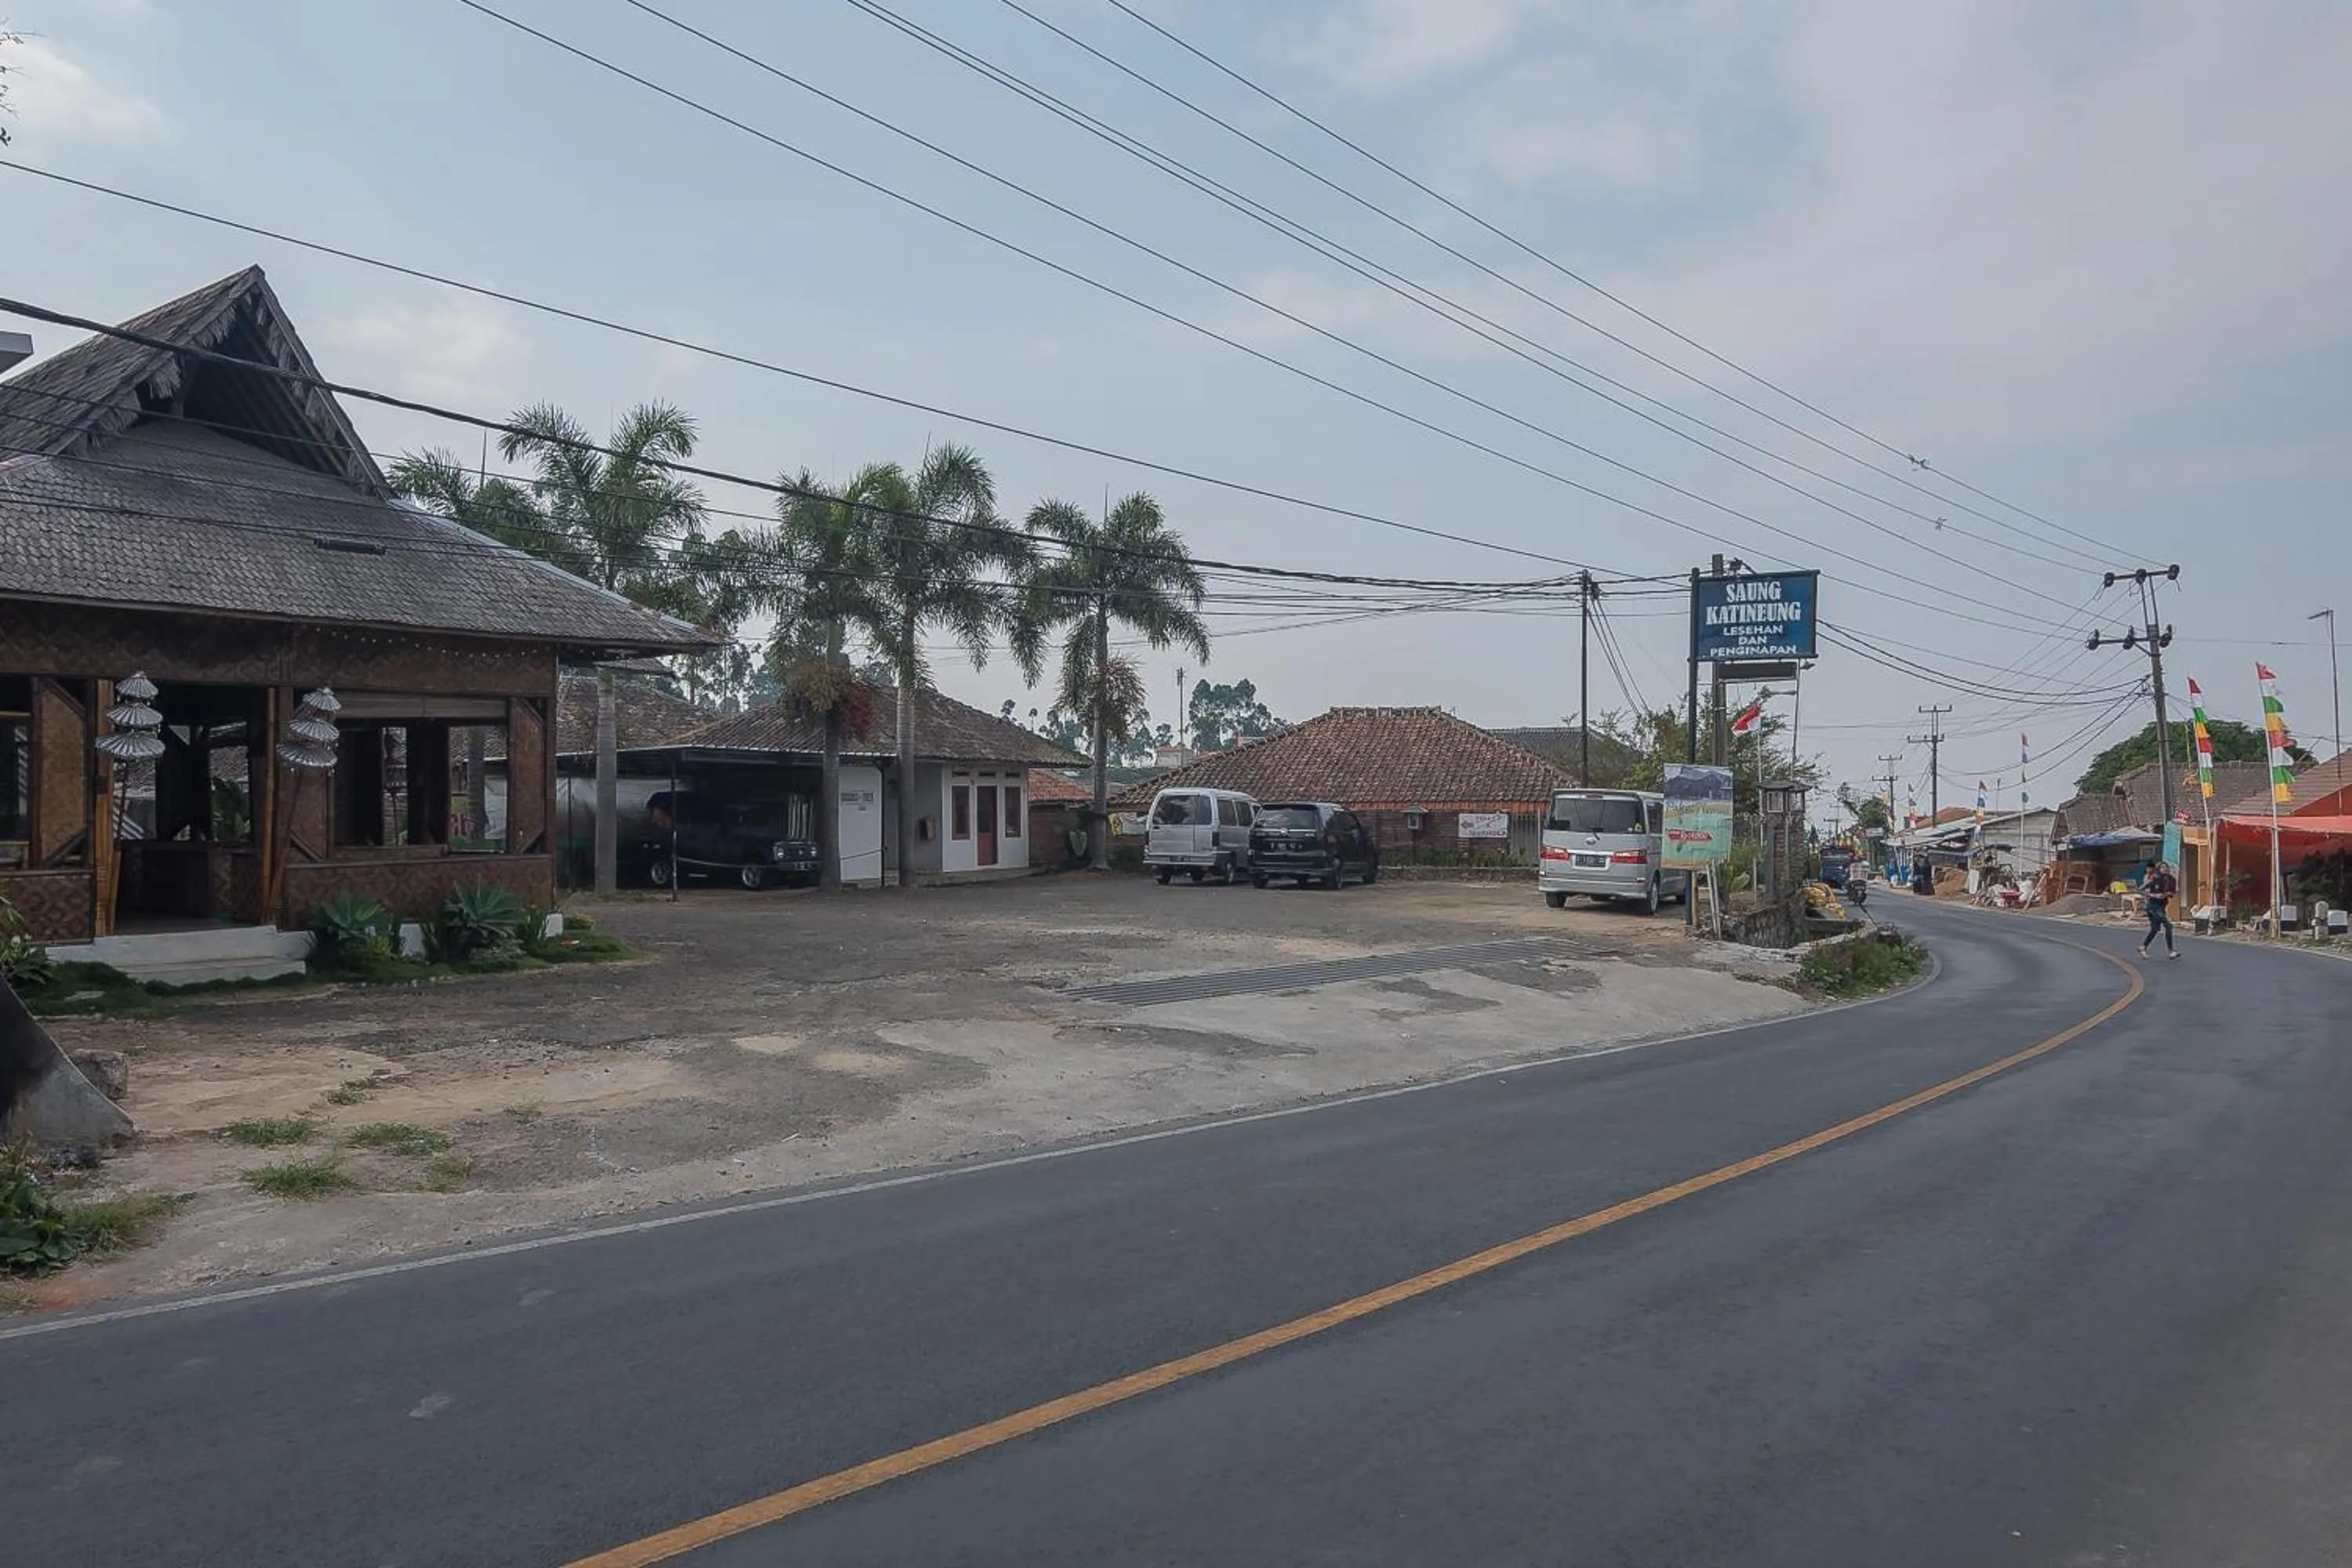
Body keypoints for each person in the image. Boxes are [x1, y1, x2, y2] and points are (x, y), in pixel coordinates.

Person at [2140, 859, 2180, 959]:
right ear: (2158, 869)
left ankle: (2143, 946)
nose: (2166, 869)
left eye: (2167, 867)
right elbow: (2141, 890)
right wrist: (2154, 895)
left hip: (2162, 906)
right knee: (2168, 926)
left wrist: (2166, 894)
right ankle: (2171, 951)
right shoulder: (2154, 878)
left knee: (2155, 929)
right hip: (2152, 906)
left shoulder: (2172, 880)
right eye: (2163, 867)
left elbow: (2173, 893)